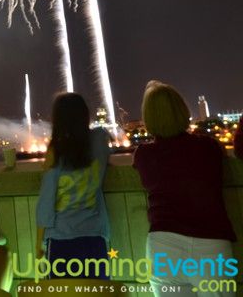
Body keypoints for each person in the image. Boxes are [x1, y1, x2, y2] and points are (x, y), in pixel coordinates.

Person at [134, 81, 236, 297]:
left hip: (163, 246)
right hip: (211, 246)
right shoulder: (208, 147)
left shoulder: (143, 155)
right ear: (182, 110)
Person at [36, 92, 110, 279]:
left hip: (61, 240)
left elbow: (46, 204)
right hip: (95, 237)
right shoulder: (100, 140)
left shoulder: (56, 153)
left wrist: (39, 245)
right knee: (98, 291)